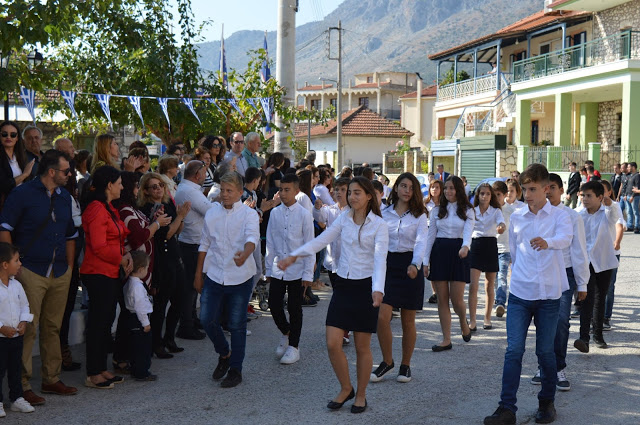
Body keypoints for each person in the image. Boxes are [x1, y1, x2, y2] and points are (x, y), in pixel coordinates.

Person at [278, 177, 388, 414]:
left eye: (357, 193)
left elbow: (380, 260)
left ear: (369, 196)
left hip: (366, 288)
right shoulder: (343, 220)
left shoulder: (379, 224)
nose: (352, 197)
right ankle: (346, 387)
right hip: (344, 286)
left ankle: (360, 394)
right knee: (332, 343)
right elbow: (320, 241)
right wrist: (295, 255)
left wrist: (378, 289)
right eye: (350, 193)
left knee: (362, 347)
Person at [484, 164, 572, 425]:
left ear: (546, 189)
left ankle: (546, 404)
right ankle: (506, 408)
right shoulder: (519, 217)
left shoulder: (560, 216)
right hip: (521, 293)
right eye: (524, 189)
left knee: (545, 352)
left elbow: (565, 238)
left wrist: (549, 243)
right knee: (513, 351)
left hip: (548, 296)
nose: (528, 194)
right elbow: (514, 249)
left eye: (533, 189)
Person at [0, 150, 79, 404]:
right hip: (30, 271)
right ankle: (21, 386)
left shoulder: (66, 196)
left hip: (59, 271)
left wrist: (68, 266)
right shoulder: (21, 194)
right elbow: (5, 230)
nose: (70, 175)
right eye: (66, 171)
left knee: (53, 327)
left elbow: (70, 236)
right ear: (52, 172)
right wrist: (14, 268)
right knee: (28, 328)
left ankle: (51, 378)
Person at [194, 171, 260, 388]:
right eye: (222, 190)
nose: (224, 194)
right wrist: (198, 274)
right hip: (214, 275)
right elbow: (204, 243)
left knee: (236, 325)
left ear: (240, 192)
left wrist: (246, 253)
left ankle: (235, 369)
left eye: (229, 190)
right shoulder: (212, 213)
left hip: (240, 277)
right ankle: (224, 354)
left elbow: (252, 238)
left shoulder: (249, 215)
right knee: (206, 319)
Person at [530, 173, 588, 392]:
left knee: (561, 320)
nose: (548, 191)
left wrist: (582, 284)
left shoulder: (572, 217)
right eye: (545, 187)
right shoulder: (534, 214)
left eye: (552, 187)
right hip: (540, 274)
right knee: (543, 322)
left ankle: (558, 368)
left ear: (562, 190)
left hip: (564, 274)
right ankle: (543, 367)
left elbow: (579, 251)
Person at [371, 173, 427, 384]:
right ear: (395, 188)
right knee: (381, 317)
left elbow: (421, 242)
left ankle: (405, 365)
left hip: (410, 266)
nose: (406, 190)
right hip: (387, 265)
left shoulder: (420, 215)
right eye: (403, 186)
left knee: (408, 321)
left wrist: (415, 264)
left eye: (411, 188)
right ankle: (387, 361)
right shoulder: (384, 213)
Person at [80, 165, 131, 390]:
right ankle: (93, 373)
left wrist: (125, 255)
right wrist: (120, 258)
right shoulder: (96, 209)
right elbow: (99, 246)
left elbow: (117, 237)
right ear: (109, 185)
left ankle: (100, 368)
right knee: (98, 324)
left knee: (105, 322)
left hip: (108, 271)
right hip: (98, 272)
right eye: (119, 182)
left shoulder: (107, 207)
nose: (122, 186)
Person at [139, 173, 191, 359]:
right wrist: (180, 218)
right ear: (145, 191)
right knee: (161, 303)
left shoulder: (168, 203)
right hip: (161, 259)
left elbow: (178, 229)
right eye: (153, 186)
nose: (159, 188)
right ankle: (156, 343)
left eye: (160, 185)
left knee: (180, 299)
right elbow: (166, 234)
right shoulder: (147, 209)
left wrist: (180, 217)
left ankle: (169, 338)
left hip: (175, 256)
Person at [265, 174, 314, 365]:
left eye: (287, 190)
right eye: (281, 190)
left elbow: (309, 245)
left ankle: (294, 346)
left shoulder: (304, 214)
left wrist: (308, 274)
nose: (283, 194)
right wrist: (268, 269)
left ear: (296, 191)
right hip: (278, 267)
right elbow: (270, 241)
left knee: (295, 308)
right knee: (274, 304)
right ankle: (286, 332)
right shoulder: (275, 213)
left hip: (297, 269)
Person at [423, 176, 474, 352]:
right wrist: (425, 261)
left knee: (456, 299)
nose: (448, 191)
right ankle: (446, 339)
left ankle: (463, 322)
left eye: (452, 188)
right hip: (439, 252)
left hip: (459, 252)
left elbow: (468, 232)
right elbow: (430, 236)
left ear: (458, 190)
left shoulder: (468, 210)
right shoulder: (437, 210)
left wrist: (465, 246)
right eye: (446, 188)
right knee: (442, 299)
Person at [574, 181, 619, 353]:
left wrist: (610, 203)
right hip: (586, 262)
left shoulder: (607, 212)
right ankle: (583, 337)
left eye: (589, 196)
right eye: (583, 195)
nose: (585, 199)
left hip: (604, 261)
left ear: (600, 197)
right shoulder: (578, 214)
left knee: (600, 298)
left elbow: (615, 216)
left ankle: (598, 335)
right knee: (586, 298)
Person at [175, 161, 212, 341]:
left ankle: (191, 319)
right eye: (204, 172)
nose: (206, 176)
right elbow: (209, 211)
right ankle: (186, 325)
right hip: (191, 243)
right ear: (197, 174)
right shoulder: (189, 191)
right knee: (190, 285)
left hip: (193, 241)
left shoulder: (189, 188)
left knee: (192, 285)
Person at [313, 177, 351, 344]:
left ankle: (344, 330)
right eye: (336, 190)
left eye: (343, 190)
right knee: (338, 294)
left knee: (343, 297)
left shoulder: (354, 211)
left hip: (349, 262)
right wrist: (317, 207)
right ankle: (341, 328)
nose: (339, 193)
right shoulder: (330, 210)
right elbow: (319, 216)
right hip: (332, 261)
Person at [0, 242, 35, 416]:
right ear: (5, 265)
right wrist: (1, 328)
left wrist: (24, 322)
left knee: (15, 369)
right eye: (16, 260)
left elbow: (25, 306)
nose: (20, 263)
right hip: (0, 338)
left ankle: (16, 398)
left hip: (16, 338)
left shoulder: (17, 285)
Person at [468, 183, 505, 331]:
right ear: (478, 195)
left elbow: (501, 222)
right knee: (473, 285)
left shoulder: (496, 211)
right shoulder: (472, 211)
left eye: (488, 194)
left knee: (490, 285)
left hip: (490, 245)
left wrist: (501, 227)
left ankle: (487, 318)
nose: (484, 196)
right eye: (482, 193)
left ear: (491, 196)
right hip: (476, 245)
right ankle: (472, 320)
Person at [123, 250, 156, 381]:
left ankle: (135, 369)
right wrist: (146, 324)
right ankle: (142, 372)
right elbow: (140, 306)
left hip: (132, 318)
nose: (147, 270)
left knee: (135, 347)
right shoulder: (137, 286)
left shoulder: (129, 282)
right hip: (139, 319)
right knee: (143, 348)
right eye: (147, 268)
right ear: (141, 269)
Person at [600, 180, 624, 331]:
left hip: (611, 253)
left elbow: (619, 225)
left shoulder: (615, 206)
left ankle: (605, 317)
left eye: (604, 190)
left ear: (609, 192)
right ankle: (592, 317)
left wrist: (617, 241)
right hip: (595, 253)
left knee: (608, 287)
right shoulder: (591, 206)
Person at [0, 121, 35, 211]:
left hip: (23, 206)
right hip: (5, 208)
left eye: (13, 135)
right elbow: (4, 186)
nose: (8, 137)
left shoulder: (21, 157)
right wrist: (24, 174)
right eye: (4, 134)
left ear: (17, 138)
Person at [492, 181, 514, 318]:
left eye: (499, 195)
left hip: (505, 249)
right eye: (493, 195)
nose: (496, 198)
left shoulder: (511, 211)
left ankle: (501, 302)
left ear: (505, 195)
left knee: (501, 275)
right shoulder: (489, 210)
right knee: (493, 277)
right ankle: (497, 297)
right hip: (491, 248)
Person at [622, 162, 637, 231]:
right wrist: (625, 195)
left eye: (629, 167)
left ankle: (637, 226)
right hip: (628, 196)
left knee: (635, 212)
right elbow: (628, 186)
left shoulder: (637, 176)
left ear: (633, 167)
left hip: (634, 197)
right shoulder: (630, 176)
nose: (628, 168)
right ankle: (630, 226)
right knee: (628, 212)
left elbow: (636, 187)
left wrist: (633, 196)